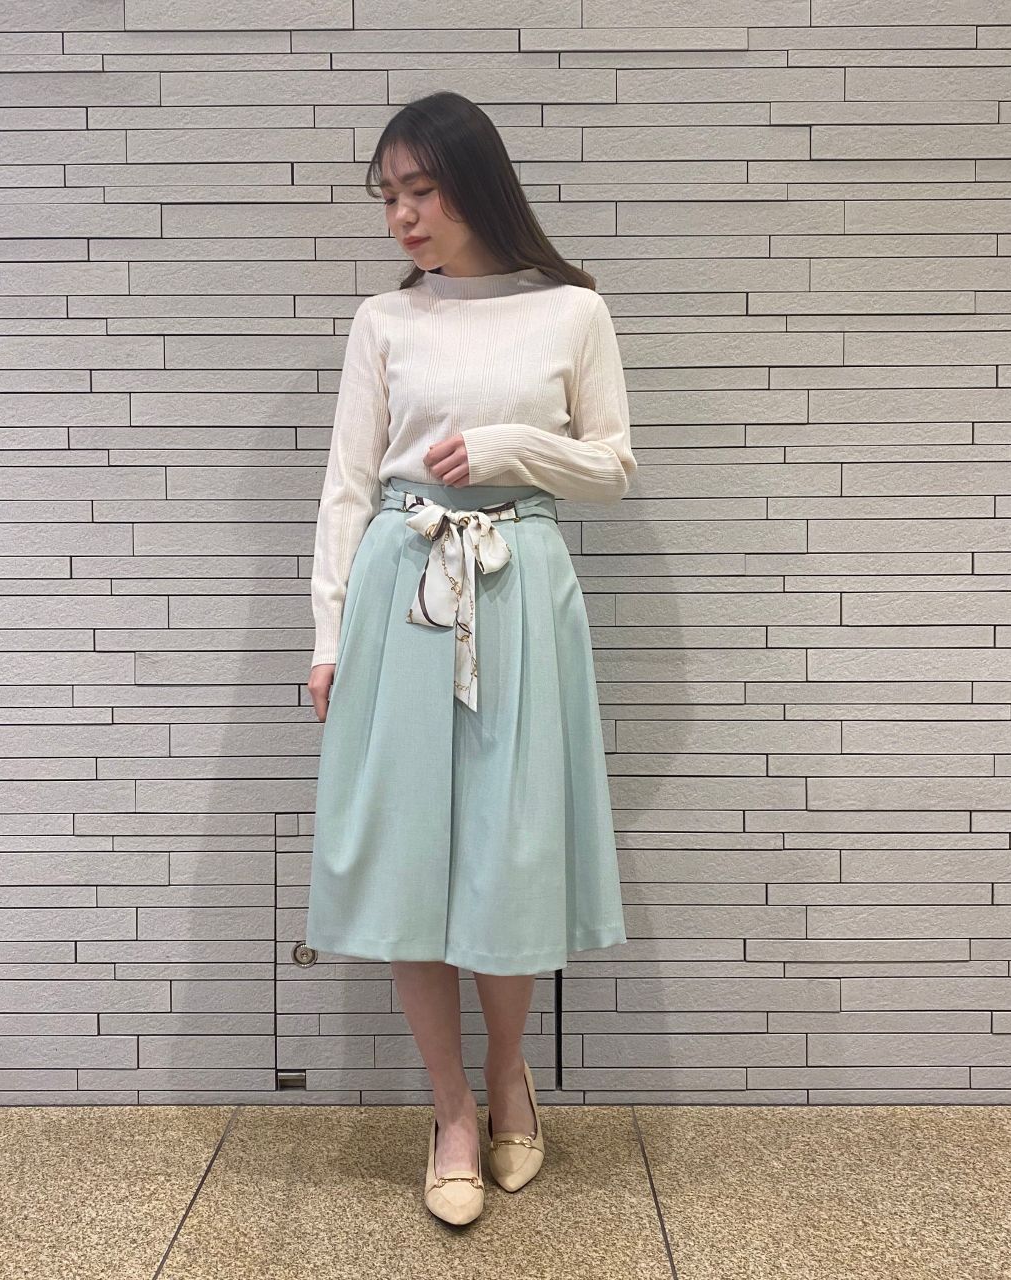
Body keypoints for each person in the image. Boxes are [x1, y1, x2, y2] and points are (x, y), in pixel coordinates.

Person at [303, 90, 637, 1226]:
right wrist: (327, 635)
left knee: (509, 849)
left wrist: (507, 447)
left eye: (420, 189)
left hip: (519, 588)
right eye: (387, 196)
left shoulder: (571, 312)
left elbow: (612, 467)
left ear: (474, 183)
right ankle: (448, 1108)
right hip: (401, 590)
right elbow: (348, 486)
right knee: (409, 858)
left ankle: (506, 1078)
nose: (400, 215)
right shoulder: (384, 322)